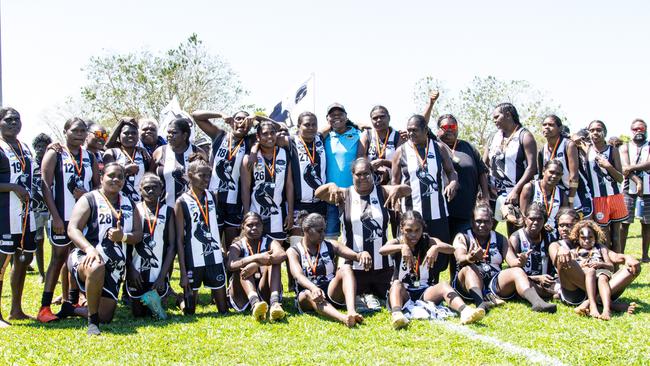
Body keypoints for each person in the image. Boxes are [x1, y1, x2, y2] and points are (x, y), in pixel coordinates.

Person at [316, 158, 411, 310]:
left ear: (372, 174)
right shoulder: (344, 194)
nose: (362, 178)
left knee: (396, 292)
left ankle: (372, 297)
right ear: (352, 175)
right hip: (354, 266)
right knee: (348, 290)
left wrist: (397, 189)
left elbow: (408, 189)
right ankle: (361, 297)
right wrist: (331, 185)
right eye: (358, 174)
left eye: (366, 174)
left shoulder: (383, 191)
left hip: (382, 266)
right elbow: (319, 193)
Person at [67, 162, 143, 335]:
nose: (115, 179)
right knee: (96, 266)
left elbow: (138, 235)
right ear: (101, 178)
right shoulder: (89, 198)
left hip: (115, 267)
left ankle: (70, 309)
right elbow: (73, 229)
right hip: (86, 257)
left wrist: (122, 237)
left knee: (106, 316)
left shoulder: (130, 203)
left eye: (120, 177)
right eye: (111, 176)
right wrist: (89, 249)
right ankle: (92, 323)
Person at [38, 117, 100, 323]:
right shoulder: (54, 153)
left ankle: (71, 303)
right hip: (62, 217)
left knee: (78, 259)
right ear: (65, 131)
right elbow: (45, 184)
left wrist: (86, 194)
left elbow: (97, 188)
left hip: (84, 219)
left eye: (83, 131)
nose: (80, 134)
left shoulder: (89, 156)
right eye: (75, 130)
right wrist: (55, 216)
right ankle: (44, 307)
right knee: (57, 259)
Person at [380, 211, 485, 329]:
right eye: (408, 230)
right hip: (404, 292)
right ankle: (397, 314)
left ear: (422, 229)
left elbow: (451, 249)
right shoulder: (398, 242)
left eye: (417, 230)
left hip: (425, 291)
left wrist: (436, 247)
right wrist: (402, 247)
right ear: (402, 228)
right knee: (396, 284)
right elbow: (382, 250)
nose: (413, 235)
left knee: (444, 285)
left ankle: (465, 311)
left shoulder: (427, 240)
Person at [453, 202, 556, 313]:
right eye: (478, 221)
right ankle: (480, 303)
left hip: (494, 281)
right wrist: (470, 257)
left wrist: (520, 261)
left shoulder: (500, 238)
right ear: (472, 222)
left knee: (516, 271)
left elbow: (512, 262)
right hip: (468, 283)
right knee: (469, 268)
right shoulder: (463, 237)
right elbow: (459, 258)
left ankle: (537, 302)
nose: (482, 225)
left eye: (486, 221)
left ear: (492, 222)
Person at [549, 208, 640, 317]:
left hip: (600, 281)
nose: (564, 229)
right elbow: (557, 261)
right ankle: (608, 304)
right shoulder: (556, 245)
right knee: (565, 260)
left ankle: (590, 303)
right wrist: (561, 251)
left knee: (633, 268)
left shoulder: (595, 244)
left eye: (568, 225)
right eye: (561, 225)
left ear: (578, 224)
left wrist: (628, 257)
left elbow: (615, 257)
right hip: (575, 291)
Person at [287, 212, 371, 327]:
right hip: (307, 294)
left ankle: (351, 311)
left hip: (330, 290)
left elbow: (355, 256)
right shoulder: (294, 251)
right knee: (308, 294)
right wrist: (313, 288)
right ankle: (343, 318)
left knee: (346, 268)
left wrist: (362, 254)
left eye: (324, 230)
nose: (323, 235)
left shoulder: (331, 245)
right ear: (306, 230)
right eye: (319, 231)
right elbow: (298, 275)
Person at [192, 110, 257, 249]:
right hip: (213, 199)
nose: (242, 122)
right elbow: (196, 116)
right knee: (212, 244)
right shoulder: (219, 135)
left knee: (232, 246)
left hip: (235, 203)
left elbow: (274, 128)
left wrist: (256, 118)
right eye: (238, 119)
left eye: (246, 120)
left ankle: (231, 270)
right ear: (231, 121)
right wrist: (220, 115)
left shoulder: (250, 141)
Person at [391, 114, 459, 244]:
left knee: (439, 254)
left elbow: (451, 172)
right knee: (412, 254)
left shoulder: (439, 147)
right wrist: (396, 201)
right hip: (411, 214)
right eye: (409, 130)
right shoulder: (401, 151)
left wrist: (453, 183)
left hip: (437, 212)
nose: (411, 133)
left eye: (414, 130)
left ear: (425, 130)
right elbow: (395, 180)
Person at [175, 154, 227, 315]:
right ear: (190, 176)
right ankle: (181, 300)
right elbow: (179, 239)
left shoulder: (212, 196)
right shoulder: (182, 201)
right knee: (190, 311)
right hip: (193, 259)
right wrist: (183, 273)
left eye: (208, 175)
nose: (206, 179)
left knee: (223, 310)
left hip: (214, 257)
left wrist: (221, 248)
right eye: (202, 175)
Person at [0, 107, 37, 326]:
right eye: (8, 120)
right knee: (1, 264)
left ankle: (16, 309)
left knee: (23, 260)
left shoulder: (25, 147)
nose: (14, 123)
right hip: (5, 215)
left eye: (17, 119)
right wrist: (13, 187)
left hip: (26, 216)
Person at [125, 173, 176, 317]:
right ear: (140, 190)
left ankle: (168, 298)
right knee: (138, 315)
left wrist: (162, 276)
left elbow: (172, 246)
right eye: (147, 188)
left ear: (161, 189)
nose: (151, 191)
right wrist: (130, 270)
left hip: (157, 275)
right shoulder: (133, 210)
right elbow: (125, 245)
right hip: (137, 274)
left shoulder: (168, 211)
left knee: (155, 315)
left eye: (155, 188)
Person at [484, 103, 538, 235]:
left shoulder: (524, 136)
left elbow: (532, 167)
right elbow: (484, 163)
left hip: (516, 195)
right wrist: (486, 186)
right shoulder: (493, 137)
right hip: (494, 193)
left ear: (508, 114)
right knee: (485, 231)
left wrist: (515, 191)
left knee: (516, 233)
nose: (494, 120)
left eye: (497, 117)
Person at [226, 212, 287, 321]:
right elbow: (231, 264)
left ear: (262, 226)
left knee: (275, 262)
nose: (254, 228)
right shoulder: (237, 245)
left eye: (257, 225)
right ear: (243, 227)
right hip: (242, 293)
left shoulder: (268, 241)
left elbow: (282, 254)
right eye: (250, 225)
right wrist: (256, 257)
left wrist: (257, 263)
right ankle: (255, 304)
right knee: (242, 266)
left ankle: (275, 304)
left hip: (265, 288)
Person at [241, 121, 294, 241]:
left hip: (278, 214)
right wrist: (246, 215)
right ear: (258, 137)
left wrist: (290, 213)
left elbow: (289, 185)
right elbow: (245, 188)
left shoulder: (284, 154)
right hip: (255, 214)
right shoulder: (249, 158)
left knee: (276, 255)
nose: (269, 137)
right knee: (256, 250)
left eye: (272, 133)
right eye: (265, 134)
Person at [321, 103, 364, 239]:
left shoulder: (359, 134)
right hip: (330, 196)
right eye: (332, 115)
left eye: (340, 114)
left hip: (352, 194)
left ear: (346, 117)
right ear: (327, 120)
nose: (336, 117)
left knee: (353, 237)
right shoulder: (324, 137)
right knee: (330, 238)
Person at [583, 120, 627, 252]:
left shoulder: (612, 150)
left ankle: (617, 268)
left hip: (614, 197)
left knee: (616, 236)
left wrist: (608, 166)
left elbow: (620, 178)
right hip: (598, 198)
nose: (595, 133)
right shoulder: (587, 149)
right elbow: (573, 137)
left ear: (604, 132)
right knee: (604, 236)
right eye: (592, 130)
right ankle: (608, 268)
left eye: (598, 129)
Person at [538, 115, 592, 217]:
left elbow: (574, 176)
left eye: (551, 125)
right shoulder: (542, 150)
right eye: (544, 125)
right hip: (558, 193)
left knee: (582, 225)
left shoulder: (568, 145)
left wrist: (570, 201)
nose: (546, 127)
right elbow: (542, 176)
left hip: (576, 192)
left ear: (560, 128)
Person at [152, 117, 206, 208]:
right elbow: (150, 176)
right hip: (164, 208)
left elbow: (206, 178)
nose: (169, 135)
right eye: (168, 132)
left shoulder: (198, 152)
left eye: (174, 133)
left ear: (185, 135)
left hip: (191, 208)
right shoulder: (159, 152)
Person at [569, 221, 616, 319]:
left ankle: (606, 310)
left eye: (590, 237)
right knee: (590, 271)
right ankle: (593, 306)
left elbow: (611, 266)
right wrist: (581, 265)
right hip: (585, 276)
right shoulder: (574, 251)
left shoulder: (600, 249)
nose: (587, 241)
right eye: (583, 238)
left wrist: (600, 264)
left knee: (603, 277)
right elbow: (572, 267)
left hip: (601, 272)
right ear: (578, 238)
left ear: (595, 237)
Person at [508, 203, 556, 299]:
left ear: (544, 221)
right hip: (524, 281)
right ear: (525, 219)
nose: (535, 222)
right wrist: (537, 278)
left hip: (546, 281)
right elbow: (511, 271)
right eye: (532, 219)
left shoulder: (549, 238)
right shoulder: (516, 238)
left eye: (539, 219)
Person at [619, 119, 650, 260]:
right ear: (631, 130)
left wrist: (631, 167)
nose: (639, 131)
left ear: (646, 130)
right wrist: (637, 180)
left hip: (648, 189)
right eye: (636, 129)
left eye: (641, 129)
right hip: (628, 188)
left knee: (647, 223)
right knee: (624, 223)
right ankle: (621, 253)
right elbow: (624, 168)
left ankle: (645, 255)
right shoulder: (625, 147)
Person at [104, 117, 152, 203]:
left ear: (138, 136)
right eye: (126, 133)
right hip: (116, 201)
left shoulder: (143, 154)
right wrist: (125, 170)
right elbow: (109, 175)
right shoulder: (112, 153)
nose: (130, 136)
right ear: (119, 136)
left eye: (134, 133)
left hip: (140, 203)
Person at [520, 159, 568, 240]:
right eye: (551, 172)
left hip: (553, 236)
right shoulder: (530, 188)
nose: (554, 176)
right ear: (543, 171)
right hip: (531, 234)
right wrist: (541, 225)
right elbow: (524, 215)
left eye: (558, 174)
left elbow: (563, 219)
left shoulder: (562, 194)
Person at [32, 133, 53, 283]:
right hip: (35, 210)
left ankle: (54, 271)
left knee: (54, 243)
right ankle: (41, 273)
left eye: (43, 147)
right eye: (37, 146)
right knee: (38, 241)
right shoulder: (31, 163)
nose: (40, 149)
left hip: (52, 209)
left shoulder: (52, 163)